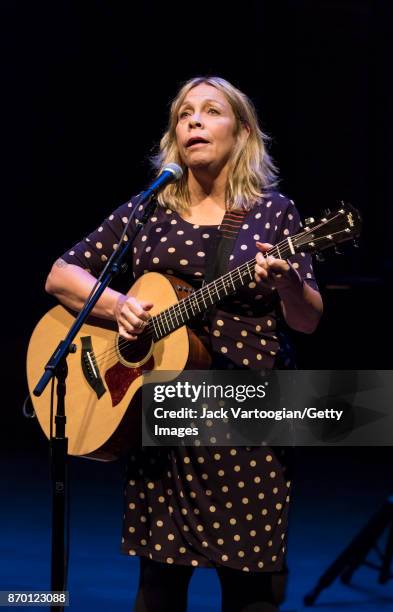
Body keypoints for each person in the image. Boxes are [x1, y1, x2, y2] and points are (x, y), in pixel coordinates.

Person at [45, 76, 323, 611]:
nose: (194, 120)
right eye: (184, 113)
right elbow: (61, 275)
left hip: (249, 419)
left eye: (211, 111)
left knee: (250, 590)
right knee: (158, 587)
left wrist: (287, 281)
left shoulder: (272, 212)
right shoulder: (150, 209)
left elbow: (307, 320)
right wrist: (119, 307)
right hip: (166, 416)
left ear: (241, 132)